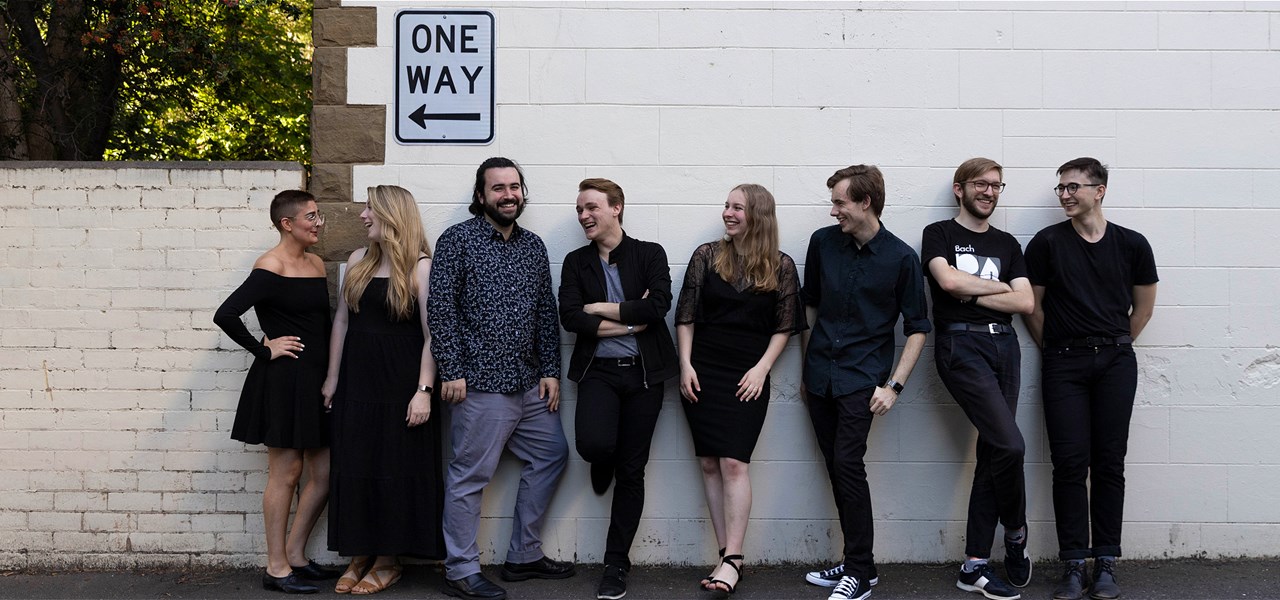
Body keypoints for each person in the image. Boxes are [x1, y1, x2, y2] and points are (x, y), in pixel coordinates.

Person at [430, 157, 573, 600]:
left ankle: (524, 555)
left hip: (529, 384)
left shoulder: (532, 246)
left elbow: (545, 312)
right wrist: (451, 370)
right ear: (481, 196)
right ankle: (460, 569)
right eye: (498, 188)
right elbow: (440, 308)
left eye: (515, 187)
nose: (509, 195)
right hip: (479, 386)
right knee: (470, 478)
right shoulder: (458, 240)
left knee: (551, 455)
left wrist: (551, 369)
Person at [1024, 158, 1157, 600]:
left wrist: (1113, 344)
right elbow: (1034, 309)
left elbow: (1143, 309)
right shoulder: (1046, 243)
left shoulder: (1133, 244)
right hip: (1063, 363)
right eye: (1060, 188)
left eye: (1073, 187)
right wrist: (1063, 350)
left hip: (1116, 362)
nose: (1064, 194)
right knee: (1068, 463)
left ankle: (1106, 563)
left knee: (1108, 463)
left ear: (1099, 191)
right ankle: (1073, 563)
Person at [800, 165, 931, 600]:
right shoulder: (822, 243)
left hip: (863, 379)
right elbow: (812, 307)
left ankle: (858, 570)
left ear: (865, 203)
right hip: (820, 377)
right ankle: (861, 564)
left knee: (848, 466)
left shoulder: (901, 258)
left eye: (839, 202)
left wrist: (893, 386)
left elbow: (917, 328)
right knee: (837, 468)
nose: (833, 210)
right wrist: (807, 368)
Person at [675, 183, 805, 598]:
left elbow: (785, 326)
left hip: (748, 375)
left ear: (759, 216)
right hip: (703, 372)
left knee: (734, 463)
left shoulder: (781, 266)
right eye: (726, 206)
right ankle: (725, 555)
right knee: (709, 464)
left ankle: (734, 558)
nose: (727, 213)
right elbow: (686, 316)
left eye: (737, 208)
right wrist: (685, 365)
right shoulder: (706, 256)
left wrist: (762, 370)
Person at [559, 178, 679, 600]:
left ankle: (616, 564)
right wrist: (629, 322)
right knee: (593, 445)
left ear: (617, 208)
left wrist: (601, 309)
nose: (584, 216)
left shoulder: (649, 254)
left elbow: (657, 306)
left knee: (633, 472)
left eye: (591, 207)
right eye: (579, 209)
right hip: (599, 373)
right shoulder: (576, 262)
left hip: (645, 376)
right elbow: (571, 316)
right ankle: (602, 456)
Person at [321, 185, 444, 595]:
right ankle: (359, 554)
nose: (362, 217)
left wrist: (424, 391)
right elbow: (341, 322)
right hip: (357, 382)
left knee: (393, 469)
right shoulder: (357, 261)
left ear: (391, 215)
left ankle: (389, 560)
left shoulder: (421, 267)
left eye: (369, 210)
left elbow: (432, 336)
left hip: (401, 388)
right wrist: (333, 379)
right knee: (355, 466)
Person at [213, 189, 337, 594]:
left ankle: (297, 554)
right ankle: (277, 568)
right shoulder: (271, 265)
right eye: (312, 217)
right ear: (288, 223)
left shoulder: (316, 263)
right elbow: (226, 314)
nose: (319, 223)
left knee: (323, 472)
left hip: (317, 379)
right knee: (287, 473)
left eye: (319, 216)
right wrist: (263, 348)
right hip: (284, 382)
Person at [921, 158, 1034, 600]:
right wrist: (1000, 289)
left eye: (996, 185)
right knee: (1010, 444)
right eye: (981, 184)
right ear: (959, 189)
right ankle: (1018, 531)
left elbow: (1025, 303)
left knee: (994, 450)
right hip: (960, 347)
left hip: (1005, 347)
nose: (989, 192)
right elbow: (947, 283)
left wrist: (977, 290)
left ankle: (974, 565)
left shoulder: (1008, 243)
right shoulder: (940, 234)